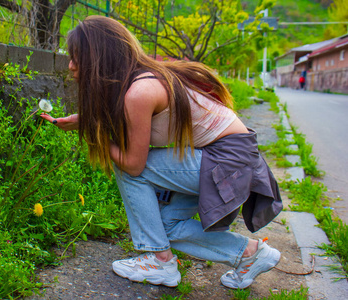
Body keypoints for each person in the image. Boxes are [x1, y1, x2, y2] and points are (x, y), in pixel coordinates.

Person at [41, 15, 282, 289]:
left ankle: (159, 259)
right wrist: (88, 121)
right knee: (164, 227)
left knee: (127, 167)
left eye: (76, 57)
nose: (71, 66)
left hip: (228, 162)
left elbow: (133, 165)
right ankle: (250, 254)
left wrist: (93, 136)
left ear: (98, 58)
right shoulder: (139, 82)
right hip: (228, 159)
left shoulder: (140, 91)